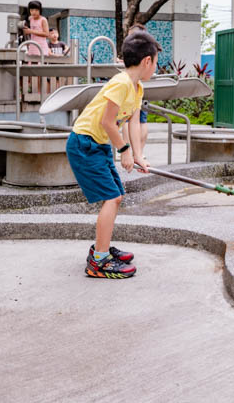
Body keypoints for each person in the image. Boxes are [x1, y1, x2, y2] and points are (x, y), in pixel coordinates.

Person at [67, 30, 159, 279]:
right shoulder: (120, 83)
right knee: (111, 197)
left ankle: (102, 248)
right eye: (156, 63)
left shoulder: (136, 88)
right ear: (147, 61)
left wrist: (138, 154)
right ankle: (98, 261)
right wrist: (125, 151)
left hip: (98, 145)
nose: (156, 68)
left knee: (116, 195)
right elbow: (109, 122)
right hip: (84, 144)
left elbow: (133, 122)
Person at [122, 23, 151, 152]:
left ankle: (133, 151)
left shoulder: (133, 51)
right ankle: (137, 151)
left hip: (137, 87)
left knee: (131, 119)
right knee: (140, 119)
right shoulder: (149, 49)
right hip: (141, 88)